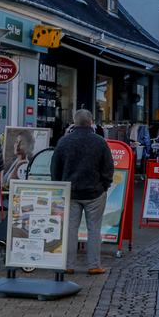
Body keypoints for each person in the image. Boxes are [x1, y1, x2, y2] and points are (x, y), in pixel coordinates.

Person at [51, 109, 115, 275]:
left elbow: (55, 167)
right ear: (91, 122)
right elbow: (108, 167)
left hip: (71, 192)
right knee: (94, 229)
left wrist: (60, 185)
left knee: (70, 229)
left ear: (74, 122)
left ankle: (68, 265)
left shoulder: (64, 142)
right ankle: (94, 265)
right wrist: (104, 185)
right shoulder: (100, 142)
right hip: (94, 192)